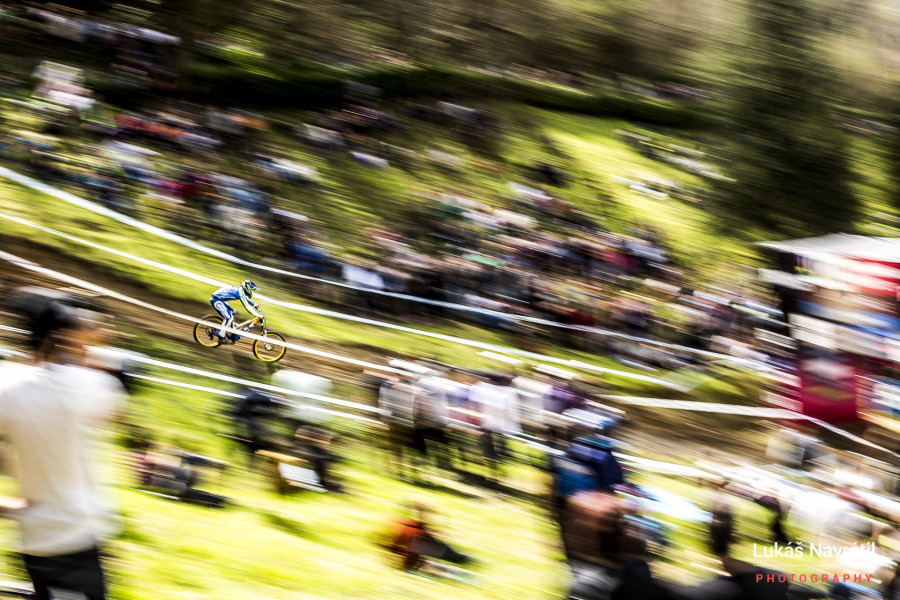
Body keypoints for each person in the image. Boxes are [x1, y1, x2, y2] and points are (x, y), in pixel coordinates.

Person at [0, 288, 126, 600]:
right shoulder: (89, 387)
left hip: (35, 539)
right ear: (65, 334)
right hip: (71, 542)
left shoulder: (7, 387)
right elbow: (113, 409)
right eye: (86, 328)